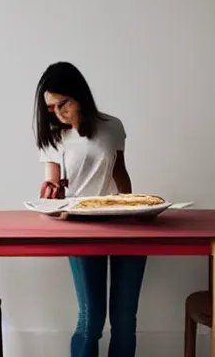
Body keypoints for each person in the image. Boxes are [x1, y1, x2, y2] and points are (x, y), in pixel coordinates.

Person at [33, 61, 147, 357]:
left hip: (123, 223)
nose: (58, 113)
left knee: (124, 321)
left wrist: (134, 207)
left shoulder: (113, 127)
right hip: (80, 227)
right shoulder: (55, 137)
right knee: (91, 319)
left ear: (79, 94)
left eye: (63, 103)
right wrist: (52, 195)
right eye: (51, 108)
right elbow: (52, 186)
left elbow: (120, 173)